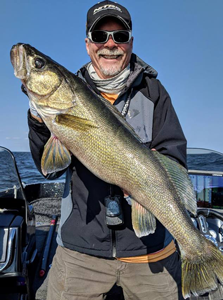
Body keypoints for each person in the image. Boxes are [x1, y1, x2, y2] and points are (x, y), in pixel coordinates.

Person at [27, 1, 187, 299]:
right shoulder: (71, 92)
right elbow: (49, 167)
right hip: (81, 250)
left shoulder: (155, 93)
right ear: (88, 44)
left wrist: (141, 186)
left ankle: (198, 253)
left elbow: (173, 155)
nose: (110, 45)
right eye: (100, 36)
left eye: (120, 36)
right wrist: (39, 122)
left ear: (130, 43)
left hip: (149, 252)